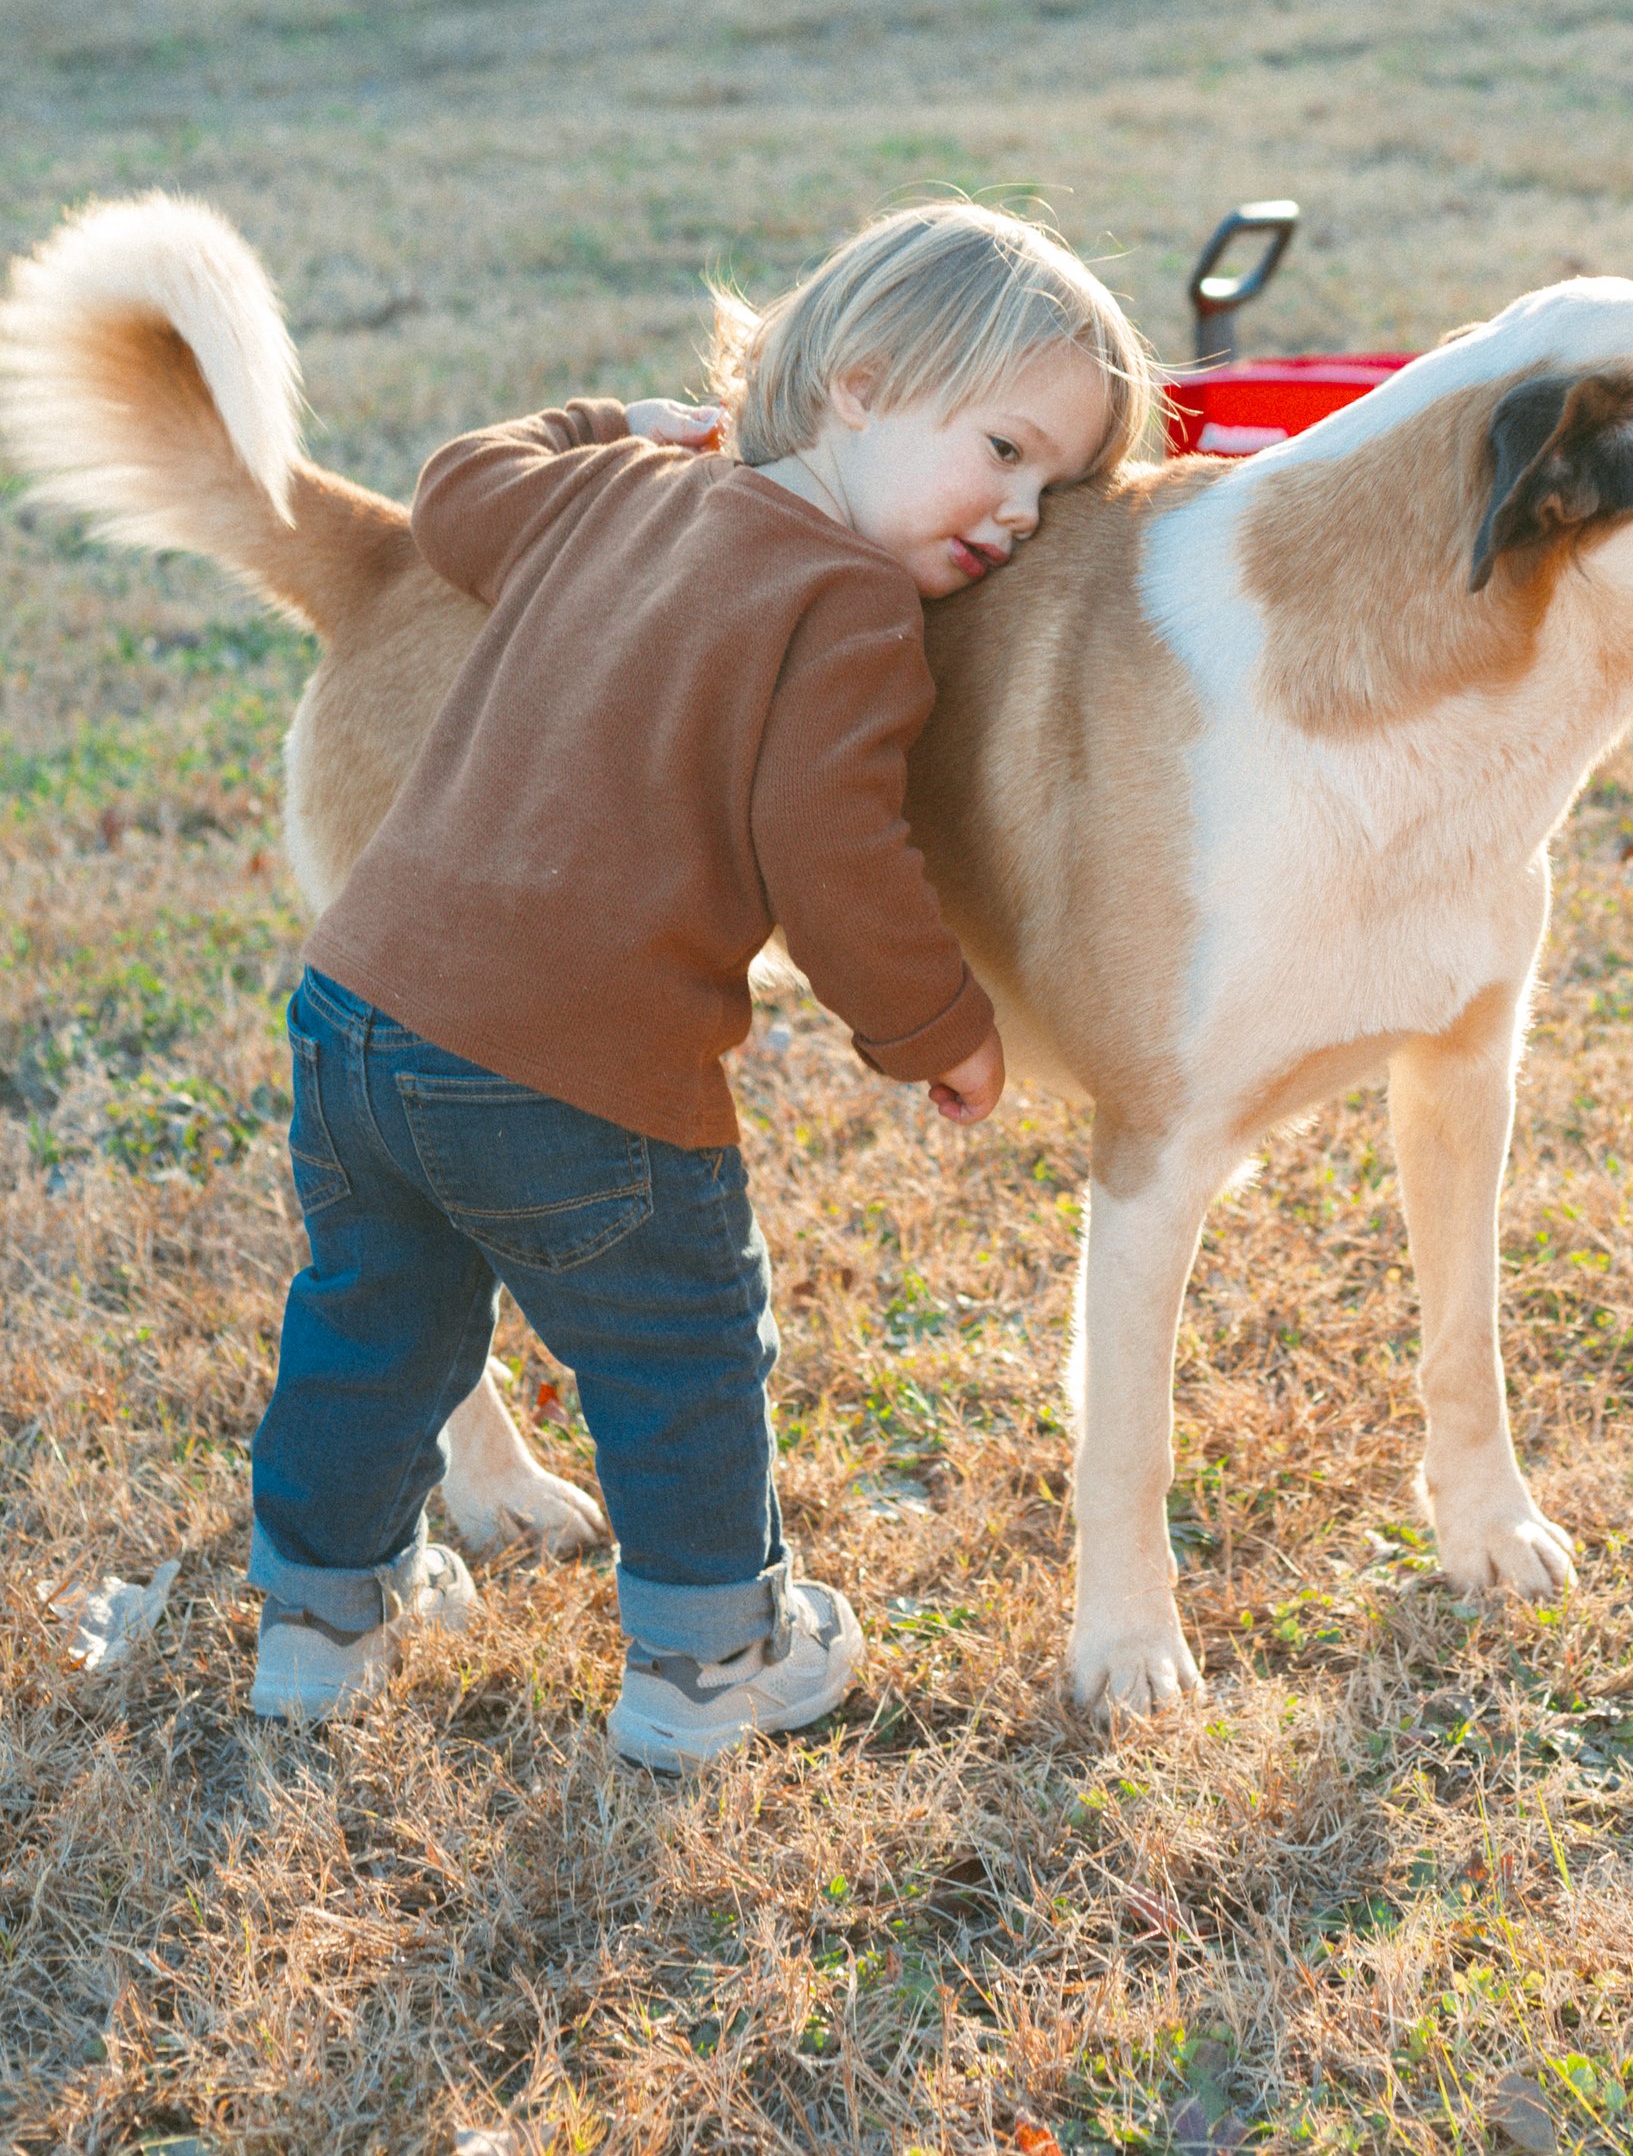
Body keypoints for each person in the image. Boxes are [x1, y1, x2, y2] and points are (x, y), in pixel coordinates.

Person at [248, 201, 1161, 1761]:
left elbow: (455, 492)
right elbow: (833, 853)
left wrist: (608, 422)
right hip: (575, 1075)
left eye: (1056, 484)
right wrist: (937, 1027)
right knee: (680, 1350)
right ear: (858, 384)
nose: (1020, 512)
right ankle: (709, 1661)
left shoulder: (607, 487)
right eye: (1006, 449)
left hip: (354, 1022)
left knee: (371, 1317)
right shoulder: (849, 604)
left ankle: (318, 1623)